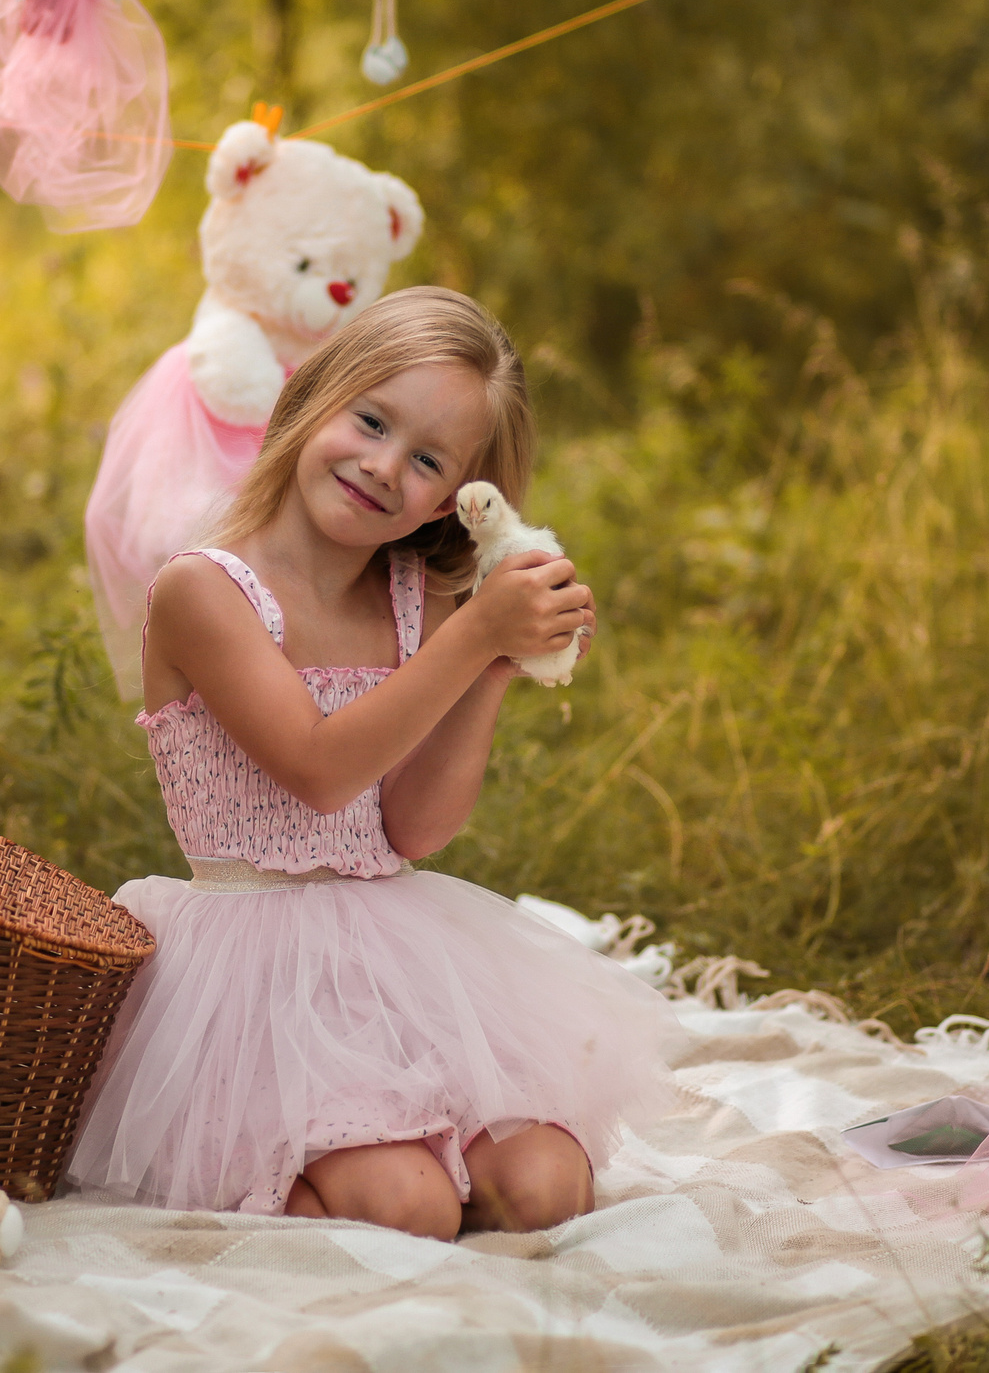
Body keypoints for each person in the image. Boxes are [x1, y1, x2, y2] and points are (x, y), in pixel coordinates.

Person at [65, 287, 676, 1240]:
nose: (385, 466)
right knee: (412, 1209)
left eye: (428, 459)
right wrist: (474, 635)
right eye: (371, 421)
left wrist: (494, 668)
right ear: (312, 395)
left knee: (545, 1186)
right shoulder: (203, 589)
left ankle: (409, 1160)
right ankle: (281, 1184)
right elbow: (318, 768)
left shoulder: (414, 602)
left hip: (394, 958)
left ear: (457, 499)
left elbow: (412, 829)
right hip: (253, 974)